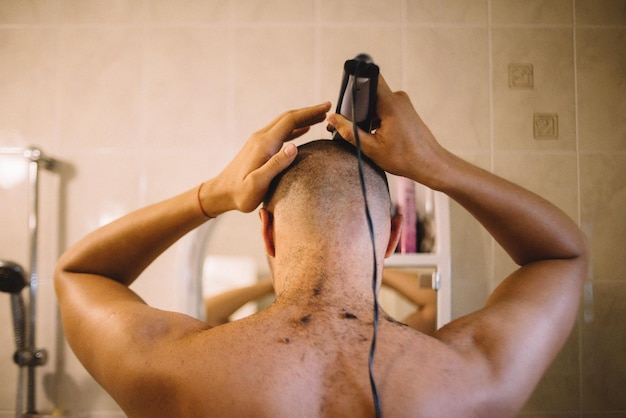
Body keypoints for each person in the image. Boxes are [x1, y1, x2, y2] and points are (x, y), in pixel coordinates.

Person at [54, 75, 588, 417]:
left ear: (267, 230)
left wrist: (214, 194)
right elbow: (562, 254)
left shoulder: (172, 367)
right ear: (393, 239)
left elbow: (79, 273)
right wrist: (437, 166)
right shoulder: (470, 376)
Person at [204, 269, 436, 334]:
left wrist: (369, 269)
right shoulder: (271, 342)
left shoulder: (372, 341)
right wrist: (273, 281)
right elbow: (206, 314)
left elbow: (435, 305)